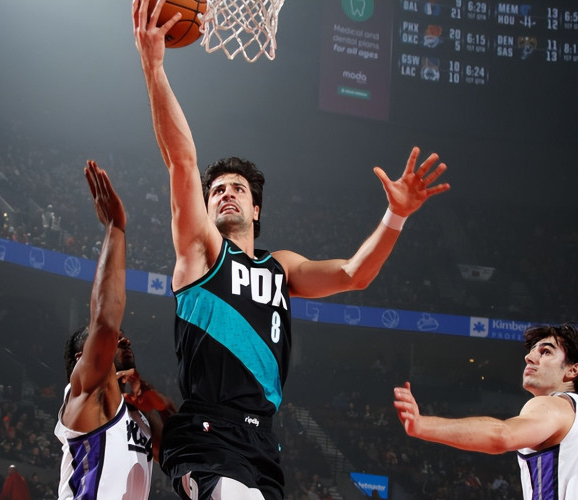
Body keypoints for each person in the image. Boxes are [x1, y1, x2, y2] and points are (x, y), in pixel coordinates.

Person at [132, 1, 451, 498]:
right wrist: (154, 68)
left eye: (237, 188)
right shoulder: (201, 252)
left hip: (262, 443)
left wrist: (397, 215)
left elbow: (354, 275)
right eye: (217, 191)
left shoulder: (280, 266)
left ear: (256, 209)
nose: (226, 194)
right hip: (207, 433)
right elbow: (182, 161)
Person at [54, 160, 174, 500]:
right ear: (84, 358)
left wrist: (159, 402)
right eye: (118, 341)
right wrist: (115, 229)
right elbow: (105, 321)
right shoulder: (84, 394)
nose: (125, 340)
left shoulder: (137, 414)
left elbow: (180, 449)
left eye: (123, 339)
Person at [393, 322, 578, 499]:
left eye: (546, 352)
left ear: (573, 370)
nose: (529, 357)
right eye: (532, 350)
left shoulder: (552, 405)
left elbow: (502, 435)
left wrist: (422, 424)